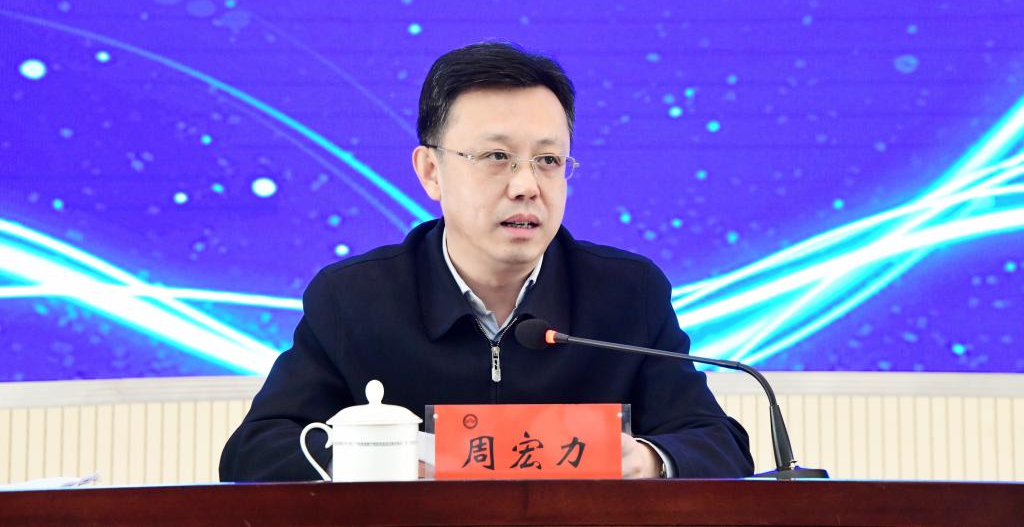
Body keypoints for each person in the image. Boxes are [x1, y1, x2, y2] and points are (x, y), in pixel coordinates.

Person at [220, 42, 753, 481]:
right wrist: (377, 461)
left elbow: (717, 443)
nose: (526, 186)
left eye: (548, 160)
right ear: (430, 171)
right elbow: (254, 453)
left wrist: (647, 461)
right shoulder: (352, 298)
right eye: (497, 157)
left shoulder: (628, 292)